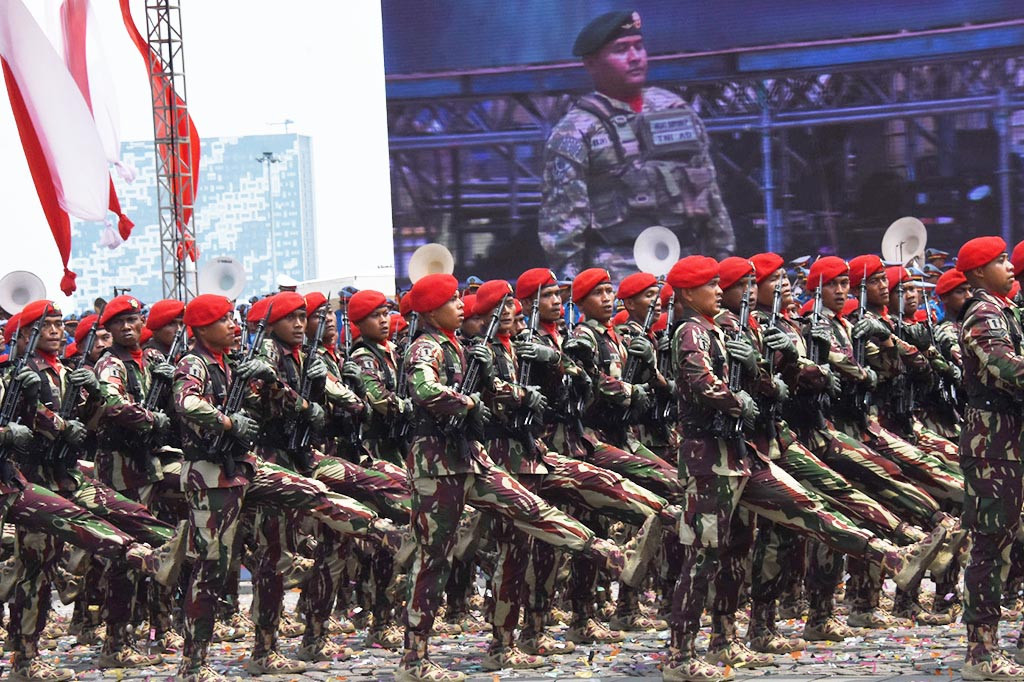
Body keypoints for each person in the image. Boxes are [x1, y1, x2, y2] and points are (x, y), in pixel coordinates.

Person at [539, 9, 734, 281]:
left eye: (638, 47)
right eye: (621, 50)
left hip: (689, 267)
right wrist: (573, 295)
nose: (635, 58)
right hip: (618, 275)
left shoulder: (677, 112)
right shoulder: (574, 132)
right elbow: (563, 228)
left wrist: (723, 269)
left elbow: (711, 199)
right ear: (592, 63)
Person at [953, 237, 1024, 680]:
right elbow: (1005, 367)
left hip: (1010, 439)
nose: (1009, 266)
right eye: (999, 261)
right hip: (992, 446)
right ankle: (981, 651)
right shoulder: (982, 314)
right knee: (990, 543)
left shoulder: (1004, 310)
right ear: (978, 274)